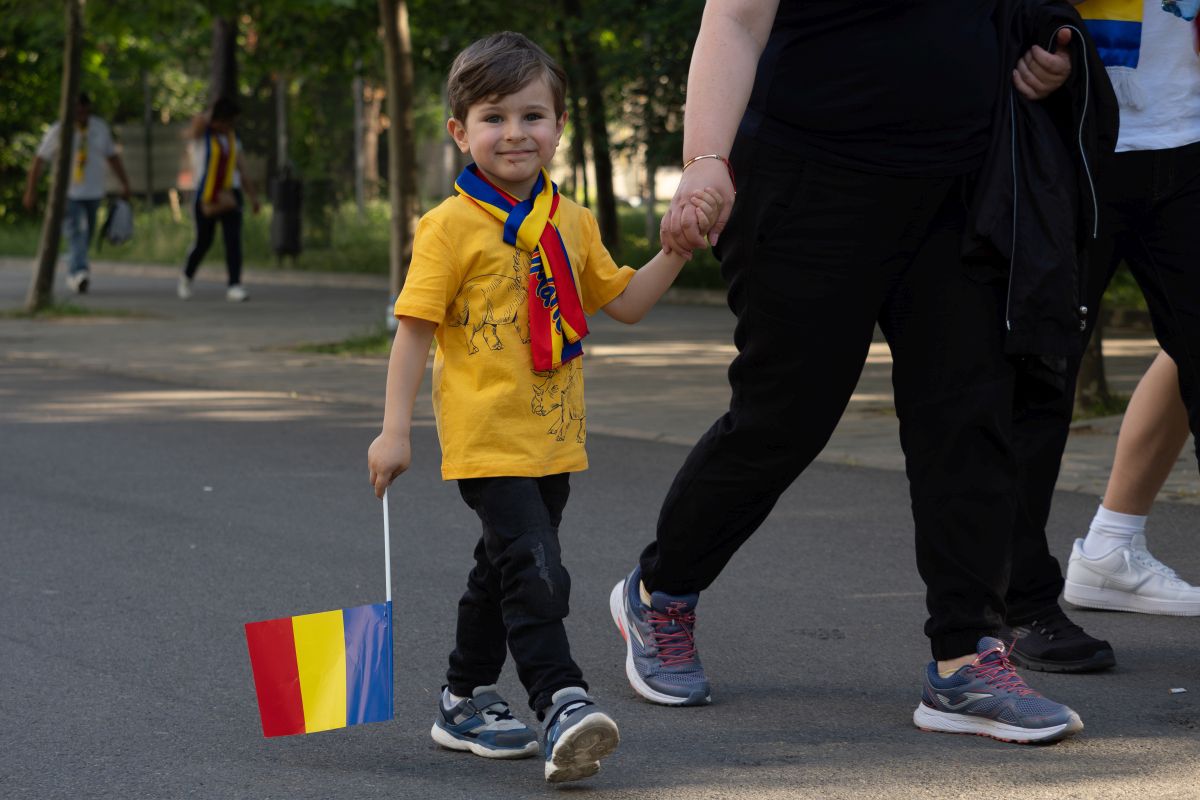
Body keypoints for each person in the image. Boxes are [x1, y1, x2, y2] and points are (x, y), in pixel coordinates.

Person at [608, 0, 1107, 745]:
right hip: (811, 181)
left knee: (970, 414)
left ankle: (965, 657)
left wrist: (1047, 51)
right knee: (787, 416)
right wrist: (706, 162)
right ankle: (663, 590)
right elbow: (735, 23)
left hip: (963, 183)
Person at [365, 32, 722, 782]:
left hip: (555, 440)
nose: (516, 133)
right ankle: (562, 700)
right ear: (460, 131)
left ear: (560, 125)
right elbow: (413, 335)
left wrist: (678, 249)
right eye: (494, 117)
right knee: (536, 570)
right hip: (486, 439)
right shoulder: (449, 227)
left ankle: (462, 698)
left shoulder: (572, 220)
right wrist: (394, 431)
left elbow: (622, 301)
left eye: (533, 116)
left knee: (500, 570)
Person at [1004, 0, 1200, 658]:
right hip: (1070, 137)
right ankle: (1020, 604)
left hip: (1189, 135)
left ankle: (1112, 545)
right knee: (1038, 379)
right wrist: (1022, 33)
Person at [23, 93, 133, 295]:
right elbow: (40, 160)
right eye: (77, 110)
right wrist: (31, 190)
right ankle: (79, 272)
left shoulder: (99, 128)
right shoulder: (59, 130)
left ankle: (74, 264)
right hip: (67, 193)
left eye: (84, 109)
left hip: (93, 191)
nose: (81, 114)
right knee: (77, 232)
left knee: (87, 233)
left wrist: (125, 183)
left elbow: (113, 157)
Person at [178, 97, 259, 303]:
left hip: (230, 194)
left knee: (233, 240)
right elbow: (195, 125)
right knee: (204, 241)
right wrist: (212, 113)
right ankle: (186, 277)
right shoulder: (202, 137)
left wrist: (253, 196)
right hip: (206, 194)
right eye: (226, 121)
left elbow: (242, 168)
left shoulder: (232, 140)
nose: (229, 126)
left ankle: (234, 284)